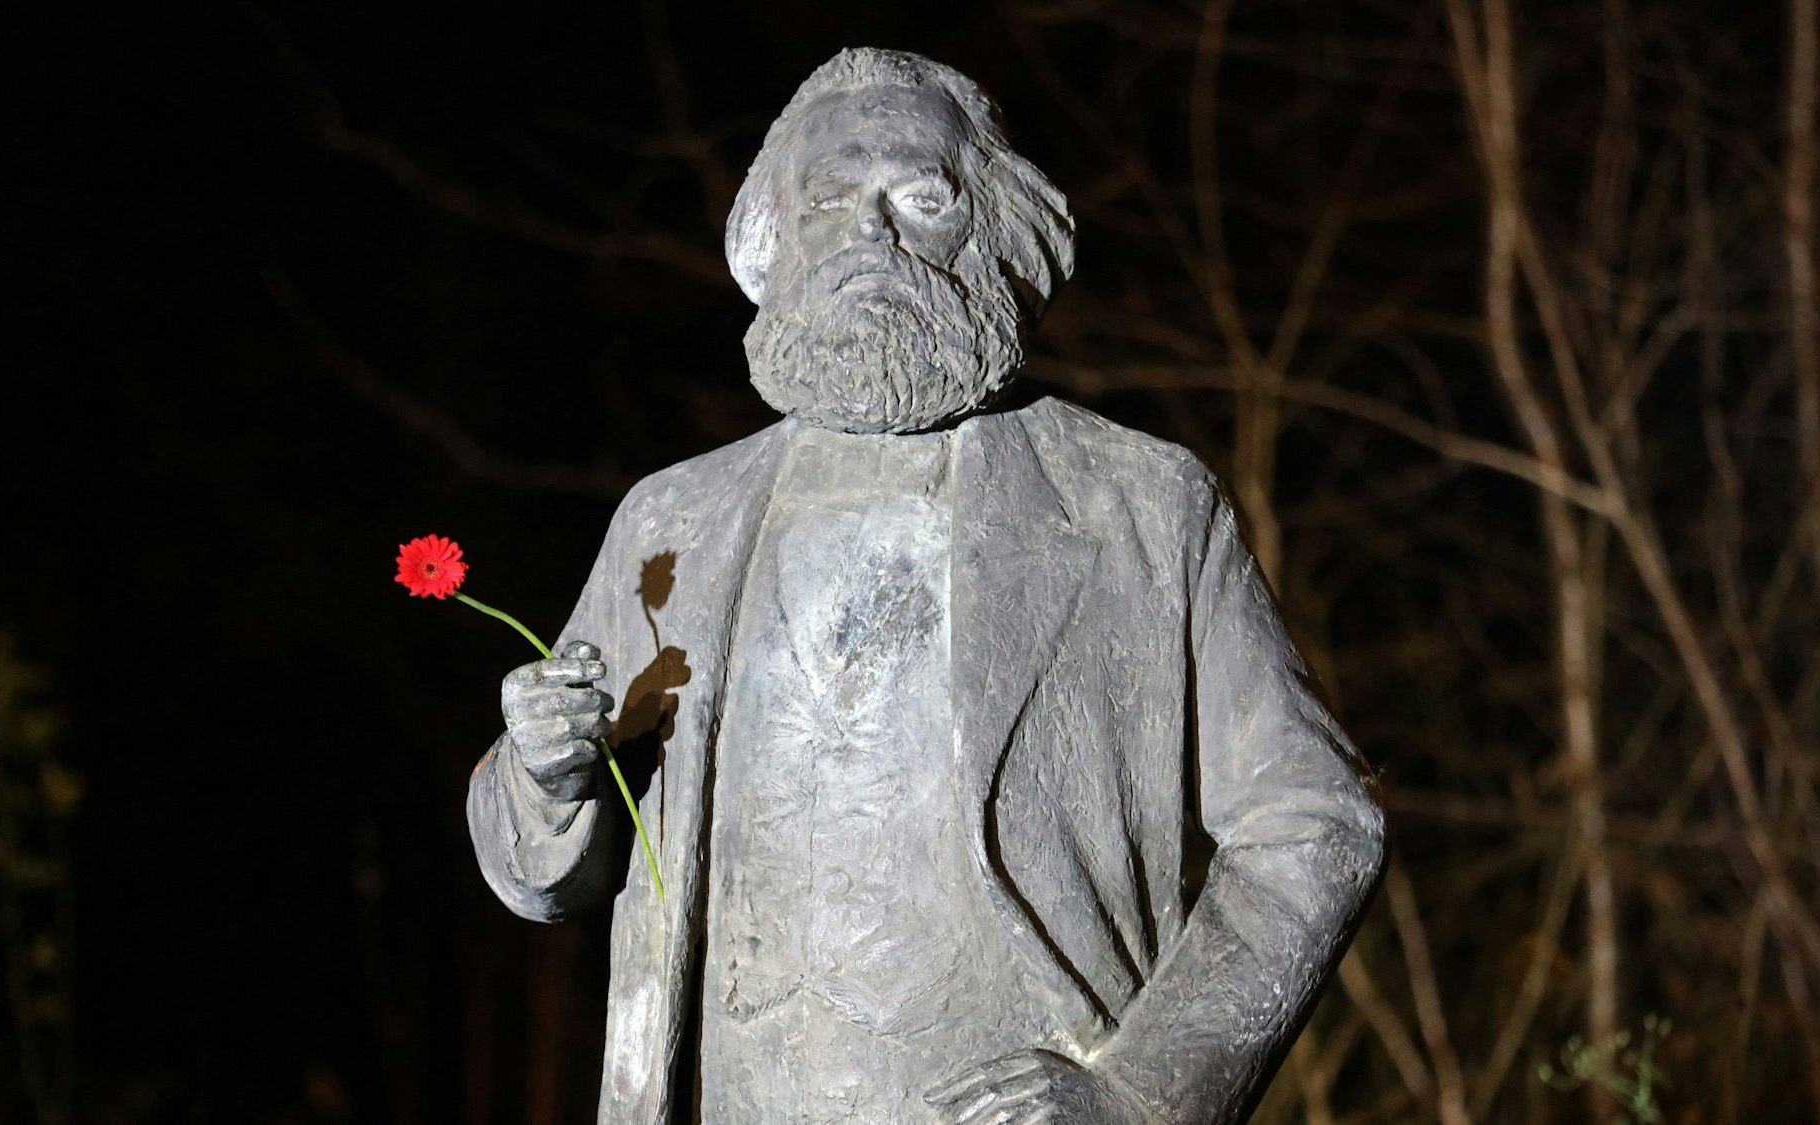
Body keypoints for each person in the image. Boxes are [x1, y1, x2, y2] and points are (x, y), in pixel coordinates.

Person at [467, 47, 1385, 1125]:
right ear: (771, 241)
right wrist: (544, 776)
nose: (870, 237)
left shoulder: (1140, 504)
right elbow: (537, 874)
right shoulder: (671, 521)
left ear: (995, 231)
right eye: (829, 200)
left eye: (920, 198)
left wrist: (1141, 1095)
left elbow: (1313, 823)